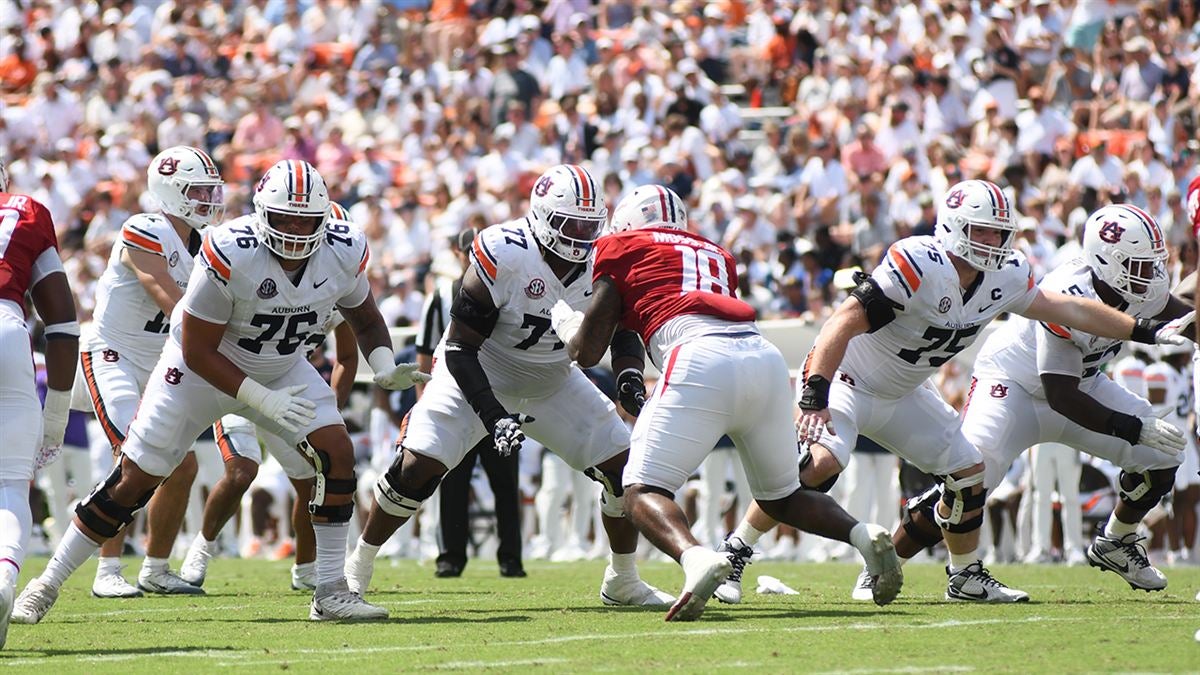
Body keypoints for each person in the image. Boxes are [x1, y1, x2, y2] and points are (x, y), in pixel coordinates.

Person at [716, 181, 1193, 604]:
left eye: (998, 232)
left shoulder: (1006, 275)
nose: (992, 242)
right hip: (850, 380)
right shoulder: (919, 262)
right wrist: (814, 395)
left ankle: (965, 575)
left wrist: (1146, 332)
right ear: (954, 227)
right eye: (982, 231)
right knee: (821, 464)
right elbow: (841, 322)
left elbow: (1071, 310)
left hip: (905, 391)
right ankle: (737, 549)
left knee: (968, 473)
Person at [12, 159, 427, 624]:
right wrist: (261, 399)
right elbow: (196, 348)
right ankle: (45, 584)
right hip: (198, 372)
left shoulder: (343, 248)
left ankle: (330, 589)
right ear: (261, 213)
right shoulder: (231, 249)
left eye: (305, 218)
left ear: (325, 217)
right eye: (284, 217)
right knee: (136, 478)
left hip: (281, 366)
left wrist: (385, 365)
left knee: (337, 453)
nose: (294, 229)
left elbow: (365, 318)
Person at [550, 184, 904, 621]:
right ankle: (863, 535)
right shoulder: (714, 250)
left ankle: (696, 558)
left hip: (698, 356)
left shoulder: (620, 245)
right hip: (762, 357)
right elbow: (642, 311)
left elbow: (588, 350)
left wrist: (567, 323)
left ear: (625, 224)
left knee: (637, 490)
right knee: (782, 495)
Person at [343, 164, 672, 608]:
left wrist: (630, 376)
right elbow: (459, 349)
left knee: (625, 469)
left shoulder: (604, 256)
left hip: (553, 379)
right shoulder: (504, 250)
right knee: (418, 465)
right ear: (541, 216)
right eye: (569, 223)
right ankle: (357, 566)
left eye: (589, 225)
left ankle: (623, 580)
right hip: (480, 370)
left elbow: (622, 329)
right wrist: (493, 415)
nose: (580, 235)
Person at [886, 204, 1191, 594]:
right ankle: (887, 563)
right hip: (1015, 386)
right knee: (970, 480)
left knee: (1165, 454)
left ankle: (1117, 540)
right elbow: (1060, 394)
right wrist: (1131, 427)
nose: (1150, 275)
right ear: (1105, 261)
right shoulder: (1068, 290)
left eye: (1152, 264)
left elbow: (1186, 319)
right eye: (1138, 265)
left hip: (1082, 383)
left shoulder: (1139, 287)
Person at [178, 202, 360, 592]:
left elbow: (347, 355)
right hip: (236, 379)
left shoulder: (337, 286)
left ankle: (307, 568)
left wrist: (329, 413)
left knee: (315, 476)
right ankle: (204, 547)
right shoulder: (256, 270)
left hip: (286, 385)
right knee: (242, 470)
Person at [69, 146, 225, 599]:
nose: (207, 200)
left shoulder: (209, 243)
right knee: (134, 458)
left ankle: (156, 568)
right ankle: (107, 569)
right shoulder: (144, 227)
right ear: (169, 191)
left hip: (159, 362)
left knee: (183, 466)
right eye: (197, 191)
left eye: (209, 191)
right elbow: (166, 294)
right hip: (113, 353)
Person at [0, 162, 78, 650]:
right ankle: (4, 580)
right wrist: (58, 412)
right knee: (10, 483)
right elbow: (63, 322)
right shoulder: (25, 211)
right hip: (5, 329)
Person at [420, 228, 525, 579]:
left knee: (506, 483)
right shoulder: (442, 293)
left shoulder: (510, 288)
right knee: (452, 482)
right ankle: (451, 556)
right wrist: (425, 403)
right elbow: (425, 350)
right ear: (459, 253)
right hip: (459, 399)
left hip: (499, 397)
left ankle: (511, 557)